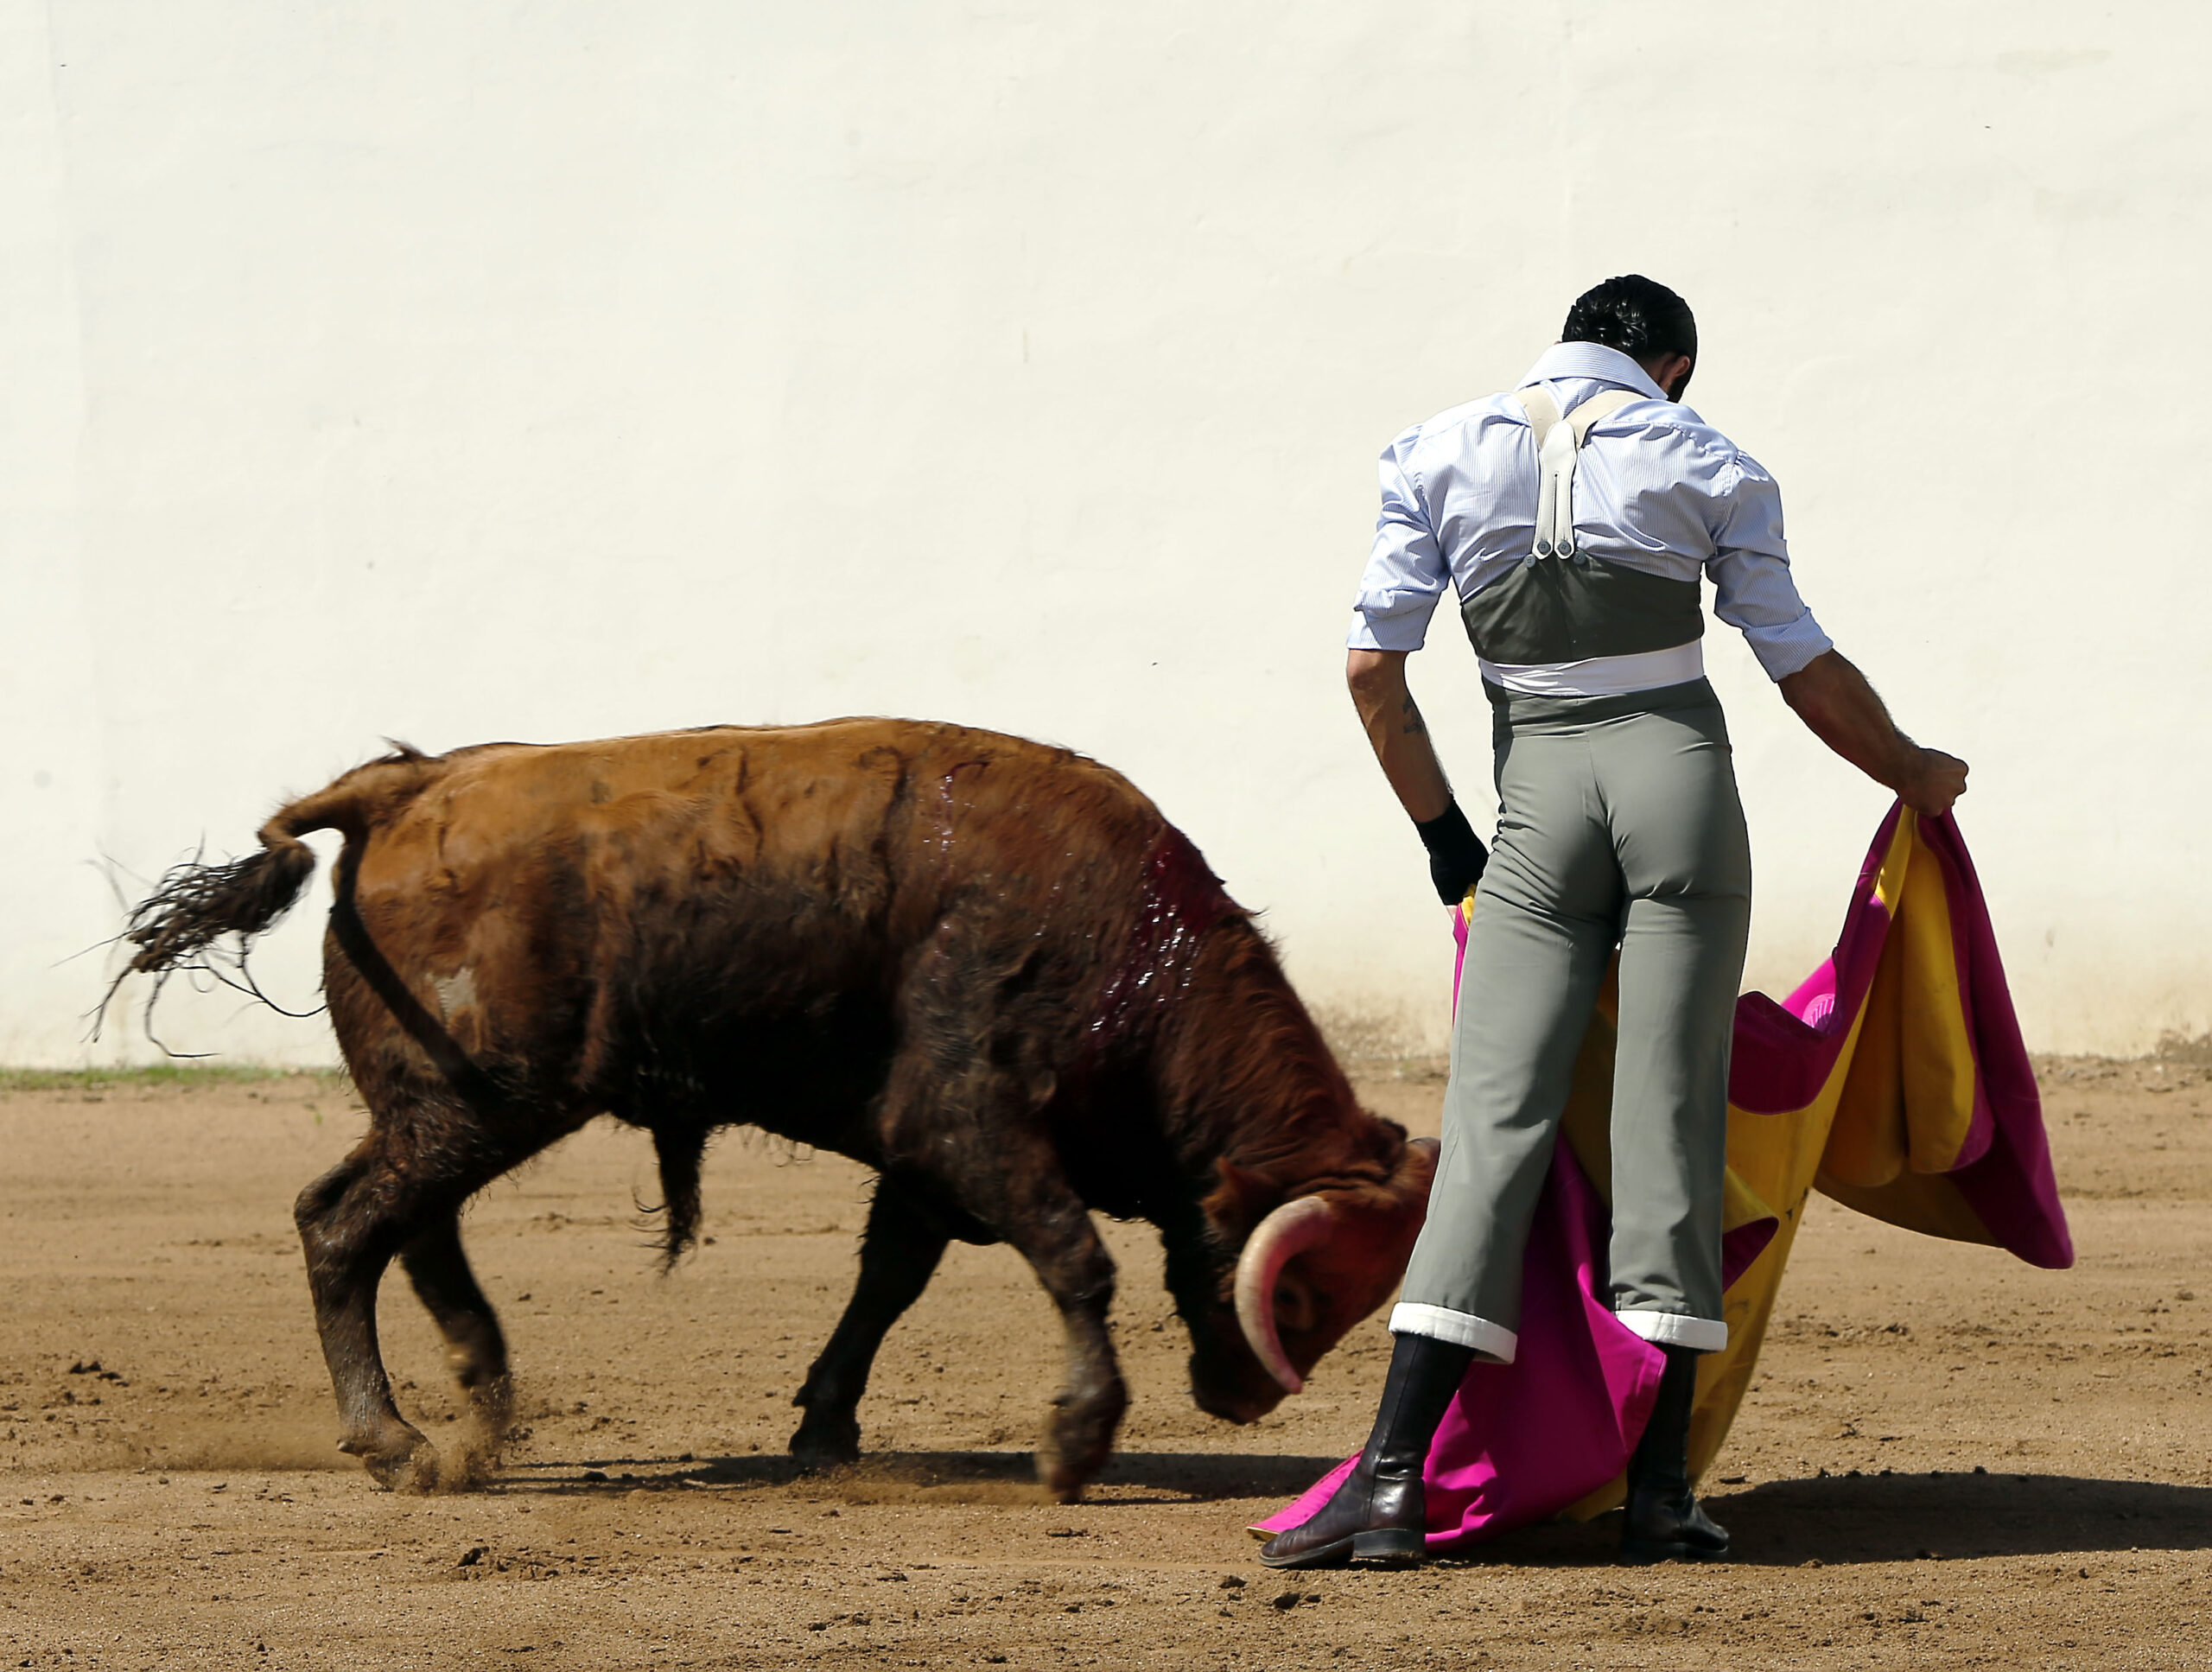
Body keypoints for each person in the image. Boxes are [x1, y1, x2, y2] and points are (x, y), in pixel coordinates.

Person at [1261, 275, 1969, 1570]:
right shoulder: (1710, 460)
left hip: (1534, 804)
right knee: (1670, 1121)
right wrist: (1912, 770)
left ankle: (1396, 1483)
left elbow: (1373, 672)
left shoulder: (1435, 451)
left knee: (1492, 1127)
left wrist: (1447, 848)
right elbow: (1799, 664)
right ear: (1676, 366)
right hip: (1678, 795)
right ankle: (1658, 1493)